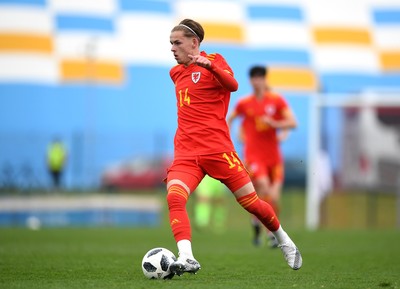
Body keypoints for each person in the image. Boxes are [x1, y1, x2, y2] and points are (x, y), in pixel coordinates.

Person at [166, 19, 302, 276]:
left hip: (218, 151)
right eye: (171, 43)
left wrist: (211, 67)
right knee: (174, 197)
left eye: (177, 43)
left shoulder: (215, 59)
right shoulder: (175, 73)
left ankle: (283, 239)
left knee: (252, 202)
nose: (172, 48)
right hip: (186, 153)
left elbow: (232, 85)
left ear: (194, 43)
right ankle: (186, 257)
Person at [227, 66, 297, 248]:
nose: (257, 81)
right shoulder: (244, 103)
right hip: (253, 157)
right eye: (254, 78)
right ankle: (272, 234)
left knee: (273, 197)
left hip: (274, 157)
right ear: (250, 81)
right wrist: (232, 136)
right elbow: (231, 119)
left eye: (260, 78)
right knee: (264, 187)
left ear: (265, 80)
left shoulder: (276, 100)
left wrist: (276, 125)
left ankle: (257, 225)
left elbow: (292, 122)